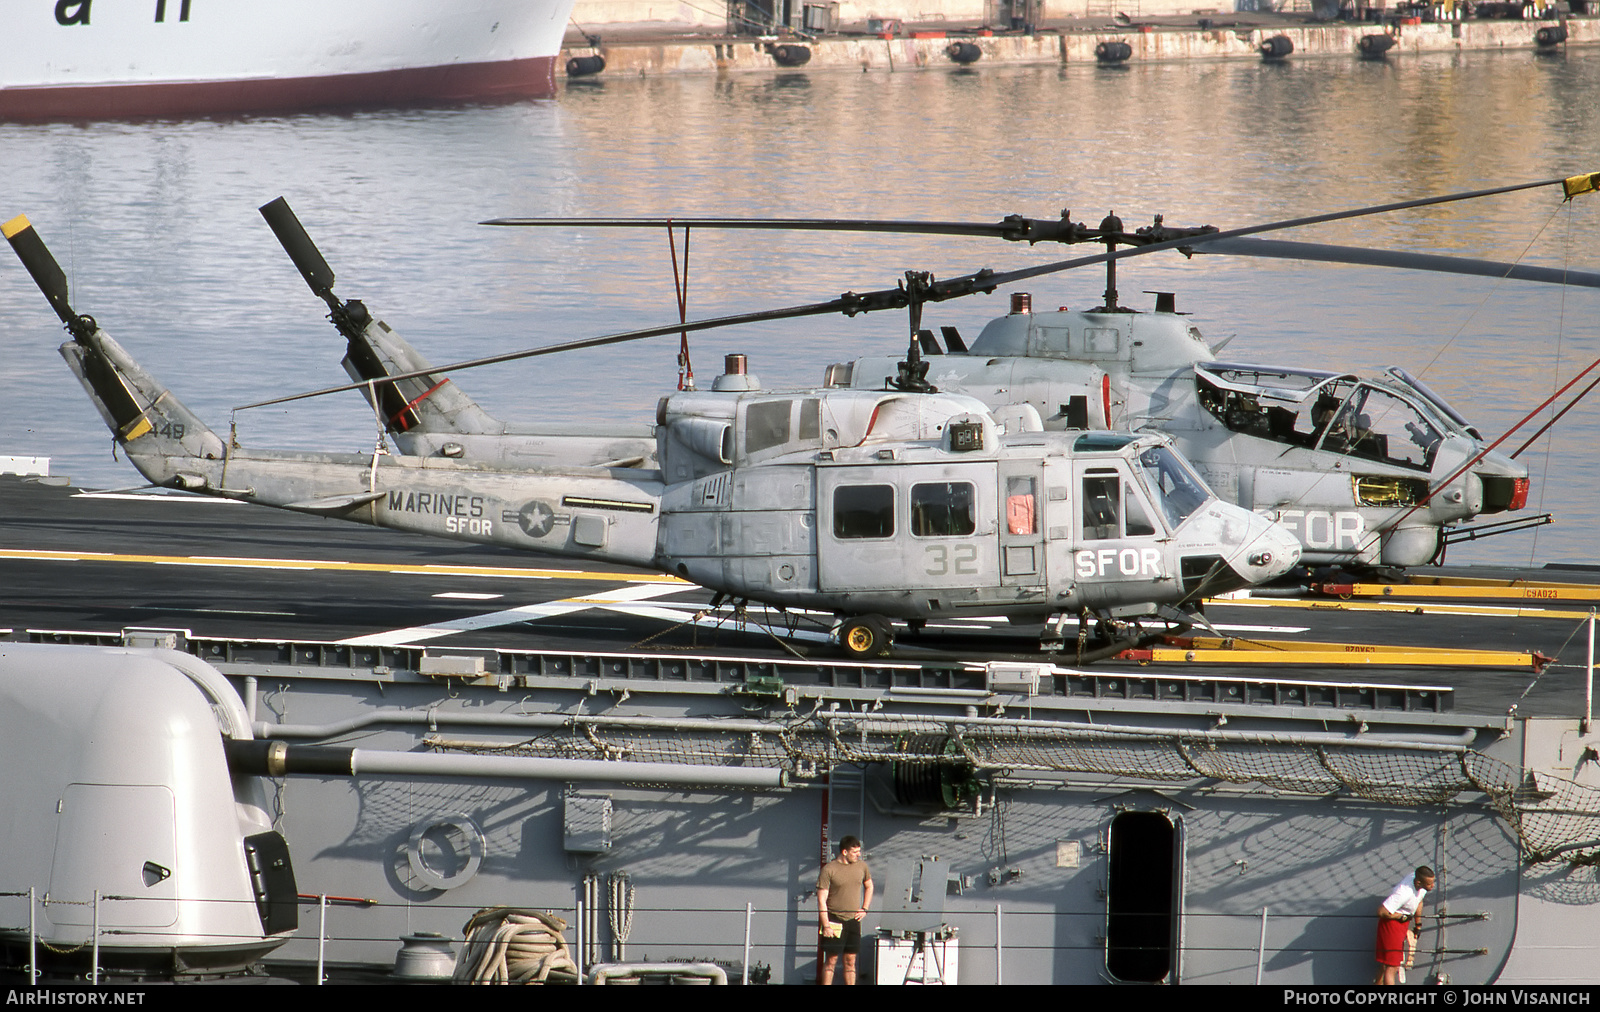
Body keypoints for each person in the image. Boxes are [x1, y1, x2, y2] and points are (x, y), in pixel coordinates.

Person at [817, 835, 873, 985]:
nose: (858, 855)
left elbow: (869, 886)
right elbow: (821, 900)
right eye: (855, 852)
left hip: (853, 920)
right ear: (844, 852)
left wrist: (865, 908)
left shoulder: (862, 867)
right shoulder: (829, 869)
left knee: (850, 961)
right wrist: (826, 925)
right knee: (831, 960)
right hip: (834, 919)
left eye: (859, 851)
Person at [1374, 866, 1435, 985]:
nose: (1432, 886)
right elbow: (1381, 912)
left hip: (1402, 923)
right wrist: (1400, 917)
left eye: (1433, 882)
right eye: (1429, 884)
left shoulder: (1421, 886)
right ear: (1418, 882)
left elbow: (1419, 901)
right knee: (1392, 966)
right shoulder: (1404, 893)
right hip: (1391, 926)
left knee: (1386, 963)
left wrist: (1418, 924)